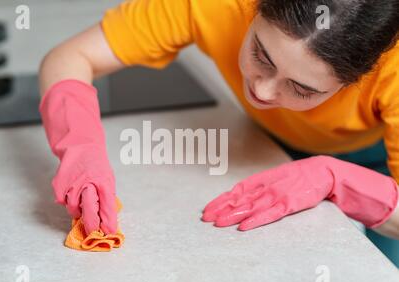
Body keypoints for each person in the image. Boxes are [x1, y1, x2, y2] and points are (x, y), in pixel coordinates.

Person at [38, 0, 399, 265]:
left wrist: (338, 179)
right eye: (261, 54)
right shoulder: (213, 4)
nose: (264, 92)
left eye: (302, 89)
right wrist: (80, 148)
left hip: (377, 162)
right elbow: (70, 57)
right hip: (270, 144)